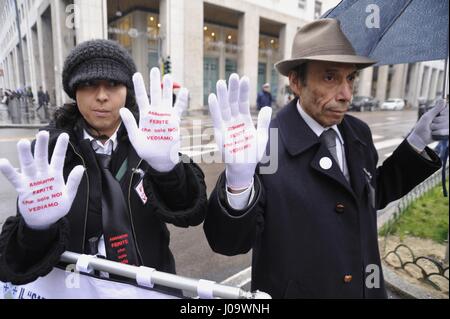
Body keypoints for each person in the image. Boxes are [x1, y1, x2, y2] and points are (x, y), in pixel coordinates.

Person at [203, 19, 447, 298]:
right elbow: (228, 242)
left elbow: (371, 196)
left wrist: (416, 142)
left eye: (350, 78)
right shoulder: (262, 144)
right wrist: (239, 183)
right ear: (296, 81)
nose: (346, 95)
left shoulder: (358, 132)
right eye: (330, 77)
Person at [0, 39, 207, 286]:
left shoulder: (152, 139)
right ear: (74, 91)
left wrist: (167, 169)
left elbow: (189, 212)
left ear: (126, 90)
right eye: (88, 84)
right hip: (72, 289)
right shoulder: (51, 152)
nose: (101, 96)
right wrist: (36, 229)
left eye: (112, 84)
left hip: (147, 289)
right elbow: (18, 263)